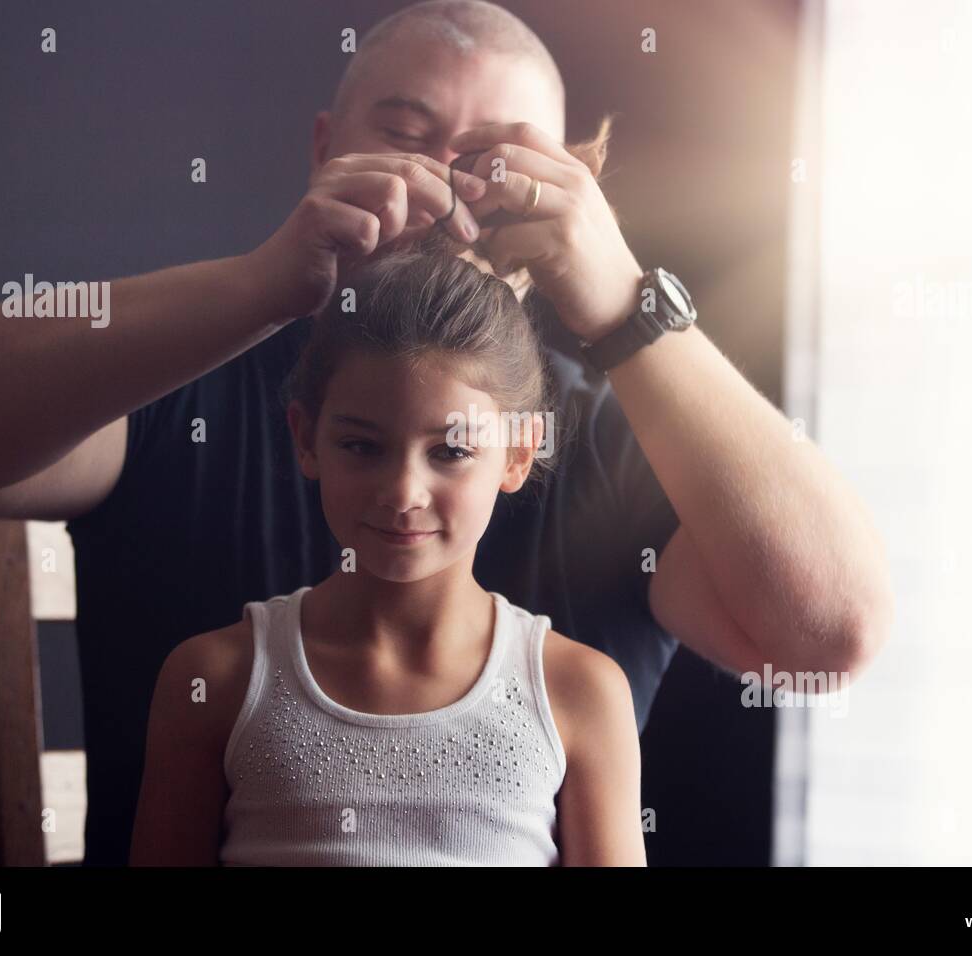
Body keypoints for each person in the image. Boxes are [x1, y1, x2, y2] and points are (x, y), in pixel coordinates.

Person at [0, 0, 893, 867]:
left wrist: (628, 302)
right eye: (403, 134)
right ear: (324, 149)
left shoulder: (620, 447)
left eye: (499, 156)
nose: (448, 187)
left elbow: (828, 631)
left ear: (578, 177)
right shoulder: (194, 384)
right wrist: (264, 281)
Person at [130, 236, 645, 865]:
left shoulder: (578, 693)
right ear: (307, 438)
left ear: (517, 452)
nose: (402, 493)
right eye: (362, 446)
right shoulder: (217, 681)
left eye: (450, 452)